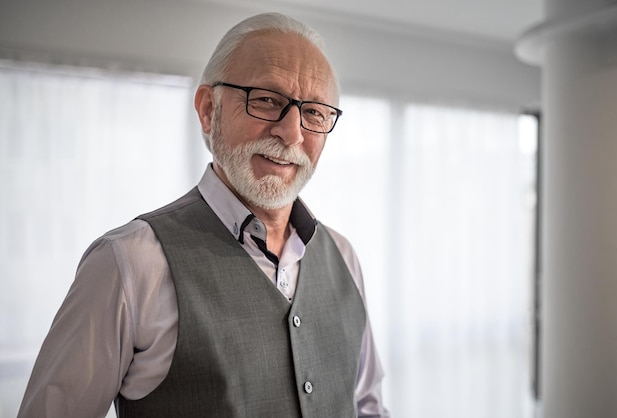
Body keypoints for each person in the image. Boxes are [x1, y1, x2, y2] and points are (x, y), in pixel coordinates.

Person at [17, 12, 389, 418]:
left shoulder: (345, 258)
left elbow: (367, 408)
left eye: (314, 112)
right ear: (209, 109)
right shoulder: (130, 263)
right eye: (266, 100)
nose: (292, 132)